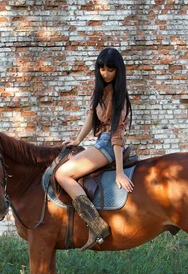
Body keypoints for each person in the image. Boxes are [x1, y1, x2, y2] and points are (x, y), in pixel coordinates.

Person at [55, 47, 133, 251]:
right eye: (102, 69)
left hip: (108, 144)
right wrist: (77, 139)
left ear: (118, 71)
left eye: (110, 70)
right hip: (100, 141)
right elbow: (91, 117)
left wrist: (119, 171)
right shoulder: (99, 91)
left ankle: (95, 223)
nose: (105, 74)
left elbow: (117, 135)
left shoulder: (118, 95)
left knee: (62, 174)